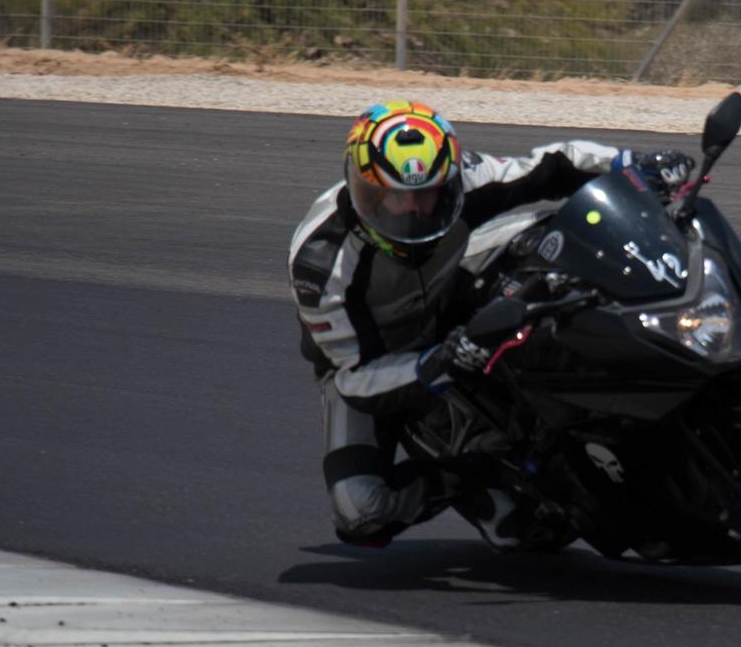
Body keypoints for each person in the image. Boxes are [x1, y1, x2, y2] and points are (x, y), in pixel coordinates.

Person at [287, 100, 694, 549]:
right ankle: (472, 474)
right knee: (361, 510)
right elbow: (353, 377)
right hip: (374, 363)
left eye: (428, 195)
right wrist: (441, 361)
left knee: (551, 239)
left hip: (450, 298)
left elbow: (550, 167)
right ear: (361, 186)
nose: (413, 211)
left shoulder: (463, 181)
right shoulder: (321, 264)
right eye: (392, 197)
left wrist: (630, 163)